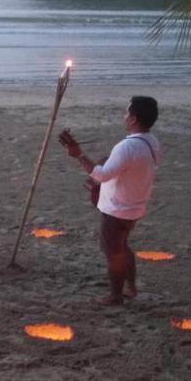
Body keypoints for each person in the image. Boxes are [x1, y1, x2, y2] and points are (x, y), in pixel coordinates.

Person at [60, 96, 161, 306]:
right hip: (134, 205)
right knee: (122, 247)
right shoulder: (151, 141)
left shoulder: (127, 147)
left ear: (133, 119)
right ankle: (130, 286)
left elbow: (101, 175)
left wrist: (78, 155)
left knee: (113, 252)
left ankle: (116, 295)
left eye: (126, 113)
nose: (124, 117)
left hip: (118, 208)